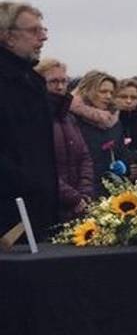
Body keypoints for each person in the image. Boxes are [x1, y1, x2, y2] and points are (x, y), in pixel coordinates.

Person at [0, 1, 57, 240]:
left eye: (43, 30)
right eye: (34, 31)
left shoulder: (33, 81)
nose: (43, 38)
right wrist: (25, 182)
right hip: (9, 205)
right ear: (7, 37)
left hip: (37, 206)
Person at [35, 58, 93, 221]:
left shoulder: (69, 118)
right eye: (53, 82)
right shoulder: (33, 118)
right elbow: (39, 166)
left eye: (63, 81)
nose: (60, 87)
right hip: (47, 205)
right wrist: (73, 198)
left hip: (77, 206)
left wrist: (85, 193)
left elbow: (84, 157)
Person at [71, 71, 128, 190]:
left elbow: (122, 152)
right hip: (81, 188)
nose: (108, 96)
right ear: (87, 91)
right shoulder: (71, 118)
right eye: (103, 91)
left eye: (111, 92)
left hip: (111, 188)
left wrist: (124, 165)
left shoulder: (114, 121)